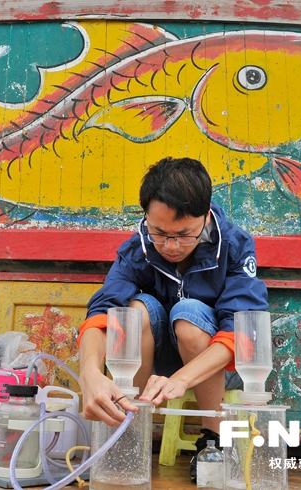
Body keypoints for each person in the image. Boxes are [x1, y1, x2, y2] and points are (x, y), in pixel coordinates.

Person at [76, 157, 268, 480]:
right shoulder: (138, 248)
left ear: (206, 216)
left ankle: (214, 441)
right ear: (146, 217)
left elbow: (241, 332)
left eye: (184, 234)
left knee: (189, 314)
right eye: (160, 233)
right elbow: (102, 313)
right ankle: (127, 433)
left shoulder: (234, 247)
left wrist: (181, 379)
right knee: (134, 311)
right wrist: (89, 372)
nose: (171, 246)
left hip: (220, 364)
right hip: (159, 364)